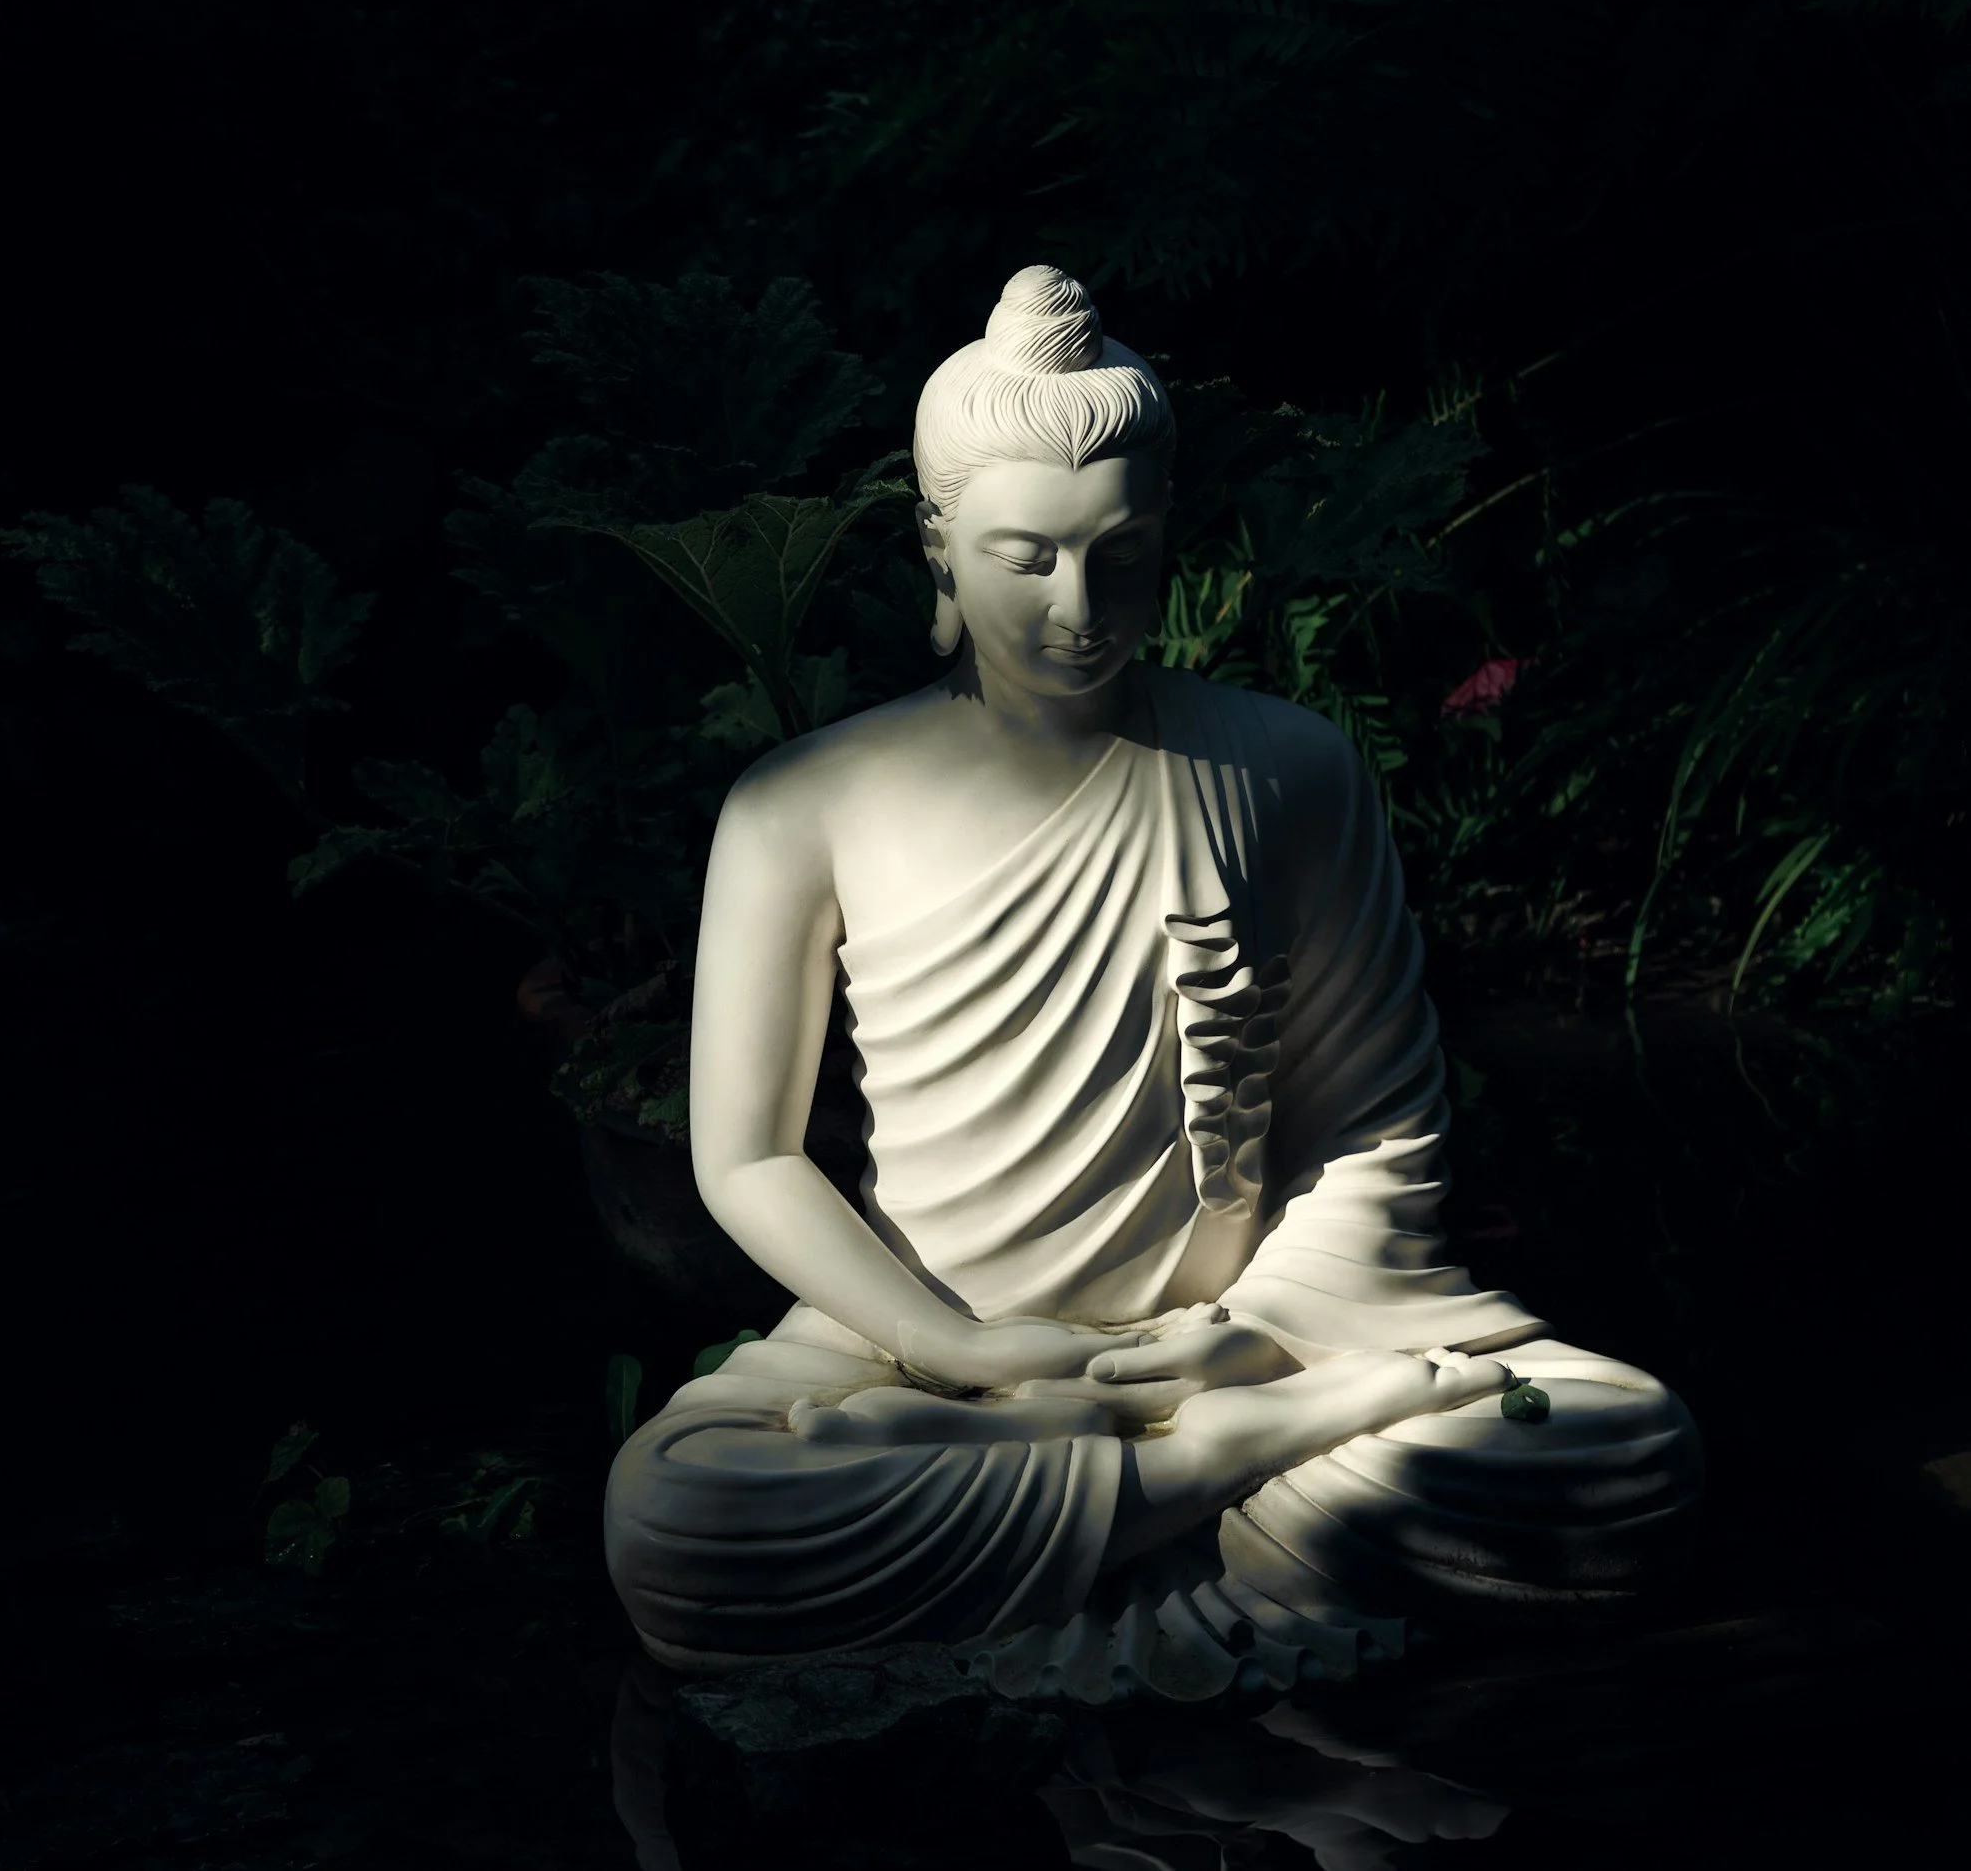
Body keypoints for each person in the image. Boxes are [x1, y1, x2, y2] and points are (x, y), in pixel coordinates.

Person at [603, 267, 1700, 1703]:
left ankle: (1169, 1465)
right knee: (680, 1522)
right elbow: (745, 1156)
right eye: (1023, 557)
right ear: (939, 551)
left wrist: (1249, 1334)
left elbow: (1377, 1123)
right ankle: (1217, 1475)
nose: (1079, 606)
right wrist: (963, 1346)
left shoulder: (1284, 766)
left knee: (1620, 1446)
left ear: (1167, 532)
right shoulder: (804, 804)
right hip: (925, 1347)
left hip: (1261, 1333)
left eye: (1119, 555)